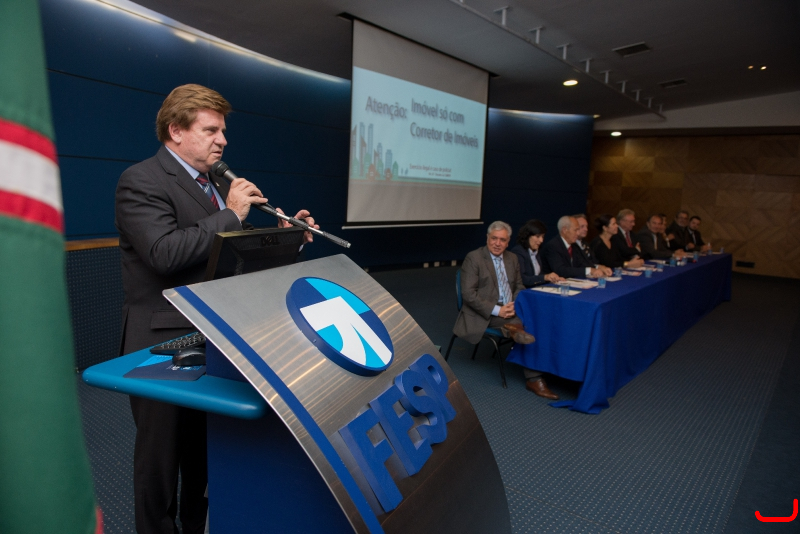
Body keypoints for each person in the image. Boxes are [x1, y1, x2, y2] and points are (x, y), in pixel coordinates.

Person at [115, 84, 318, 534]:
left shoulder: (217, 187)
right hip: (159, 343)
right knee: (159, 464)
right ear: (176, 131)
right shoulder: (141, 180)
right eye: (210, 131)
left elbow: (233, 258)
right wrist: (231, 214)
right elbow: (164, 253)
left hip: (215, 337)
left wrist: (291, 236)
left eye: (223, 131)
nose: (222, 141)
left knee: (202, 457)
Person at [452, 221, 558, 400]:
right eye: (494, 238)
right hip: (485, 312)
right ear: (487, 238)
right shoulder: (474, 258)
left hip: (510, 307)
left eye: (502, 240)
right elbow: (468, 295)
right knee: (525, 326)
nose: (497, 243)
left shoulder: (512, 258)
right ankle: (534, 378)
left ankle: (522, 339)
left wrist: (514, 304)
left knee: (542, 319)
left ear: (508, 242)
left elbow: (519, 286)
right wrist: (498, 310)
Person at [540, 216, 610, 279]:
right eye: (575, 230)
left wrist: (598, 267)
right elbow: (561, 270)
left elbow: (582, 263)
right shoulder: (553, 246)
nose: (578, 233)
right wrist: (589, 270)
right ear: (564, 230)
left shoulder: (574, 245)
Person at [509, 219, 564, 287]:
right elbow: (522, 279)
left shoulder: (536, 251)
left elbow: (538, 275)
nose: (541, 240)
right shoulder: (518, 251)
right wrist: (545, 277)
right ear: (527, 236)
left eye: (542, 237)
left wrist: (552, 278)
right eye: (538, 236)